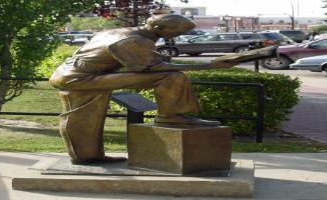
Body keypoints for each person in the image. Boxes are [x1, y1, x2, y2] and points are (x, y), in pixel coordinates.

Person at [49, 14, 276, 164]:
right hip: (80, 79)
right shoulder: (134, 40)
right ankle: (172, 117)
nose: (178, 36)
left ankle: (87, 158)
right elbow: (149, 67)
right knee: (171, 77)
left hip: (72, 74)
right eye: (176, 32)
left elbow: (148, 60)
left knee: (81, 117)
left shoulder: (122, 32)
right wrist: (209, 64)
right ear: (158, 28)